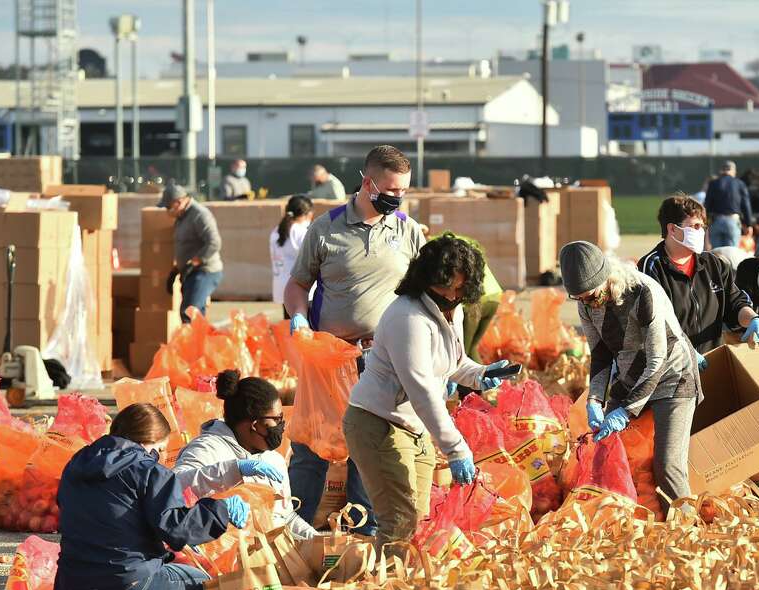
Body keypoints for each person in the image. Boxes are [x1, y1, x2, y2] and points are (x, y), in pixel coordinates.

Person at [284, 145, 427, 535]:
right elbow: (297, 284)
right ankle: (295, 531)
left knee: (372, 446)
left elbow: (426, 296)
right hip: (330, 359)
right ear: (368, 183)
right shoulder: (325, 228)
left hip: (382, 359)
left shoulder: (407, 231)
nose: (398, 199)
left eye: (404, 193)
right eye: (392, 191)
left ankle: (366, 536)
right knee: (313, 444)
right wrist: (298, 318)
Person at [42, 403, 248, 590]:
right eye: (161, 450)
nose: (160, 457)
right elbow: (176, 530)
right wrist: (220, 509)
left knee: (75, 555)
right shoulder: (149, 471)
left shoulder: (74, 467)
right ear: (151, 445)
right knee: (210, 589)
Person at [343, 234, 511, 550]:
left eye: (459, 288)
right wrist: (456, 449)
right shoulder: (408, 318)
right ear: (425, 279)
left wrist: (481, 374)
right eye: (443, 287)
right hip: (378, 424)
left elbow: (454, 361)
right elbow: (421, 389)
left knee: (416, 520)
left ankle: (404, 588)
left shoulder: (453, 311)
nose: (450, 294)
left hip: (414, 428)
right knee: (398, 522)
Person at [563, 241, 703, 505]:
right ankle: (620, 525)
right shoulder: (586, 303)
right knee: (606, 457)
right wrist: (595, 400)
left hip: (673, 378)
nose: (587, 304)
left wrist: (625, 411)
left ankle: (685, 529)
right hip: (630, 378)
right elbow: (601, 354)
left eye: (591, 296)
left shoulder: (642, 292)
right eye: (579, 299)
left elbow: (657, 360)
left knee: (667, 465)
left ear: (606, 278)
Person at [174, 369, 318, 538]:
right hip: (222, 558)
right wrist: (234, 470)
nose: (282, 426)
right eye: (277, 420)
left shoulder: (273, 460)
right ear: (255, 424)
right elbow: (173, 485)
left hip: (266, 558)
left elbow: (285, 518)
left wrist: (317, 540)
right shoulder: (208, 449)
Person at [637, 194, 759, 355]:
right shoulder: (652, 267)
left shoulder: (714, 264)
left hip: (712, 361)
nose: (700, 231)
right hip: (673, 366)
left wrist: (753, 319)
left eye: (702, 226)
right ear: (672, 229)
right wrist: (687, 353)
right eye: (694, 226)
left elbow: (735, 303)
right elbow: (653, 323)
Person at [159, 183, 223, 320]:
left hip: (205, 271)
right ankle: (200, 341)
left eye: (168, 207)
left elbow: (214, 242)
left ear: (179, 202)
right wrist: (176, 269)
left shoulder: (199, 215)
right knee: (197, 315)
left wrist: (193, 263)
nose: (167, 211)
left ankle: (190, 341)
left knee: (189, 311)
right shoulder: (181, 218)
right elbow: (186, 245)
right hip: (191, 273)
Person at [269, 194, 313, 306]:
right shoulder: (301, 232)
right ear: (308, 214)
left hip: (281, 286)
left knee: (288, 322)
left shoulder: (276, 231)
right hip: (298, 289)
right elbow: (312, 260)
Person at [703, 161, 752, 248]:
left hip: (716, 221)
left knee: (717, 255)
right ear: (734, 171)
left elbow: (707, 205)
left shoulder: (713, 183)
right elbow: (746, 205)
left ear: (722, 170)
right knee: (731, 255)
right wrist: (748, 224)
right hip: (732, 221)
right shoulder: (740, 184)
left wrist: (705, 223)